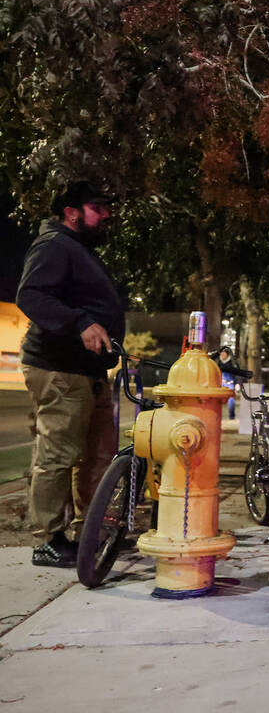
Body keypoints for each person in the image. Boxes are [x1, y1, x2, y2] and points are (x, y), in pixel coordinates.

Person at [17, 180, 124, 568]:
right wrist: (80, 322)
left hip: (87, 370)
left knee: (98, 456)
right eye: (98, 207)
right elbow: (30, 295)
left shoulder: (77, 249)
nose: (107, 214)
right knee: (57, 455)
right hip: (59, 368)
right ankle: (48, 539)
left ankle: (89, 533)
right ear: (71, 212)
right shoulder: (54, 245)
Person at [212, 346, 239, 419]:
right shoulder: (218, 361)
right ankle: (217, 416)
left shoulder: (232, 362)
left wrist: (237, 383)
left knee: (231, 400)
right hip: (220, 382)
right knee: (217, 400)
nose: (222, 355)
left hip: (230, 382)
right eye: (221, 354)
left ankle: (231, 415)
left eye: (224, 354)